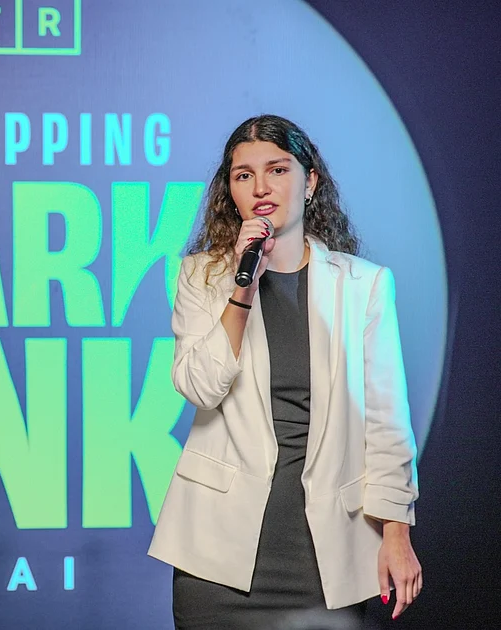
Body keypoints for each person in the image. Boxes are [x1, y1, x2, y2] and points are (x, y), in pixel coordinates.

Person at [148, 115, 421, 629]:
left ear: (309, 181)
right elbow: (200, 387)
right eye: (243, 175)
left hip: (326, 553)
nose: (261, 187)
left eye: (277, 169)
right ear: (230, 190)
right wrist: (242, 290)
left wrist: (396, 532)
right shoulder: (201, 276)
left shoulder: (363, 286)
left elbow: (386, 422)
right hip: (217, 556)